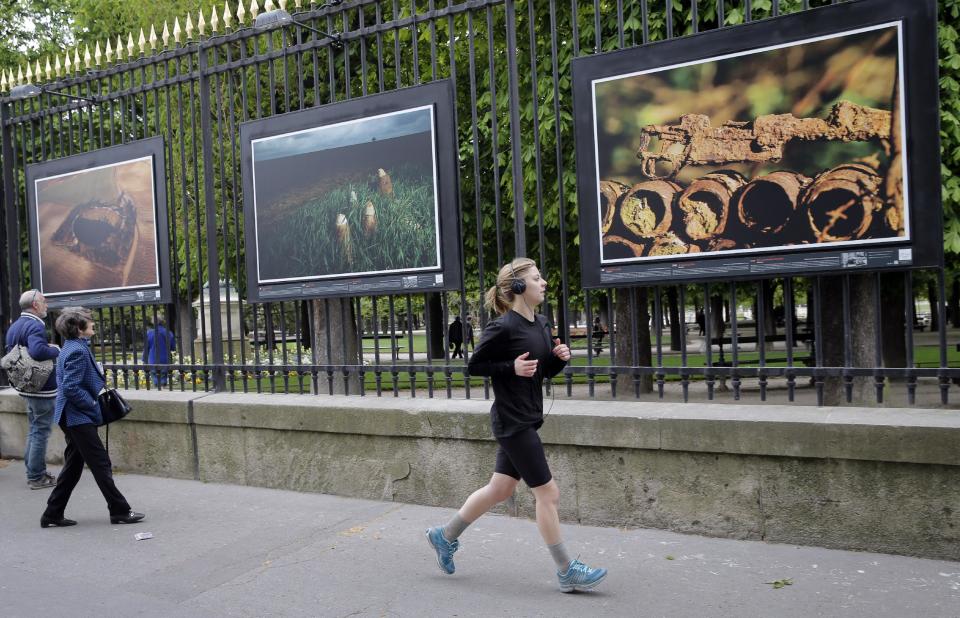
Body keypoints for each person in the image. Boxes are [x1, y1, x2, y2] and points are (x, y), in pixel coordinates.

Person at [425, 258, 607, 593]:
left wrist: (558, 360)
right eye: (537, 278)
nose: (544, 283)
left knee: (500, 490)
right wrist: (510, 367)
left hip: (527, 417)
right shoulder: (502, 327)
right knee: (548, 493)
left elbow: (539, 372)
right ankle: (566, 570)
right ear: (519, 287)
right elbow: (474, 367)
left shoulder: (540, 325)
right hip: (512, 421)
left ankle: (444, 535)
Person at [41, 308, 144, 528]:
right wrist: (90, 404)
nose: (93, 324)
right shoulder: (77, 351)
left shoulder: (73, 347)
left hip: (71, 416)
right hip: (77, 417)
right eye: (89, 321)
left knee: (74, 466)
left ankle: (52, 513)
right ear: (79, 328)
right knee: (100, 463)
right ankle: (119, 510)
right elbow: (70, 387)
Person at [4, 290, 59, 490]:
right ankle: (36, 476)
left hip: (25, 386)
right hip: (41, 388)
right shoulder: (35, 325)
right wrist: (56, 349)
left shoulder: (15, 325)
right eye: (44, 302)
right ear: (35, 305)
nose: (46, 305)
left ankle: (33, 471)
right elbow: (38, 351)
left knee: (34, 429)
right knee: (40, 431)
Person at [143, 316, 175, 386]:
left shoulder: (149, 333)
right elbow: (173, 347)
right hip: (165, 359)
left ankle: (157, 388)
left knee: (155, 377)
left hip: (153, 359)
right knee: (164, 377)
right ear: (162, 321)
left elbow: (146, 348)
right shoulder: (168, 333)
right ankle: (163, 387)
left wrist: (144, 359)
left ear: (153, 322)